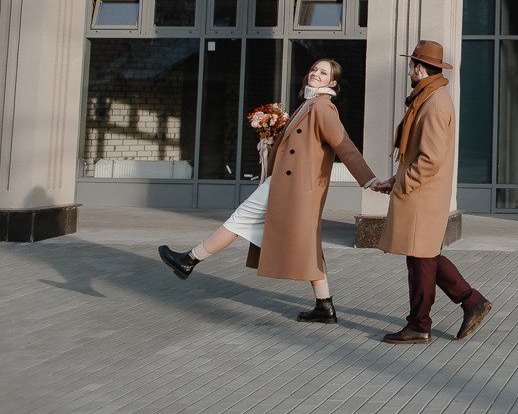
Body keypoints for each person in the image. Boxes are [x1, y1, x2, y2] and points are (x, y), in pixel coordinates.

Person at [157, 59, 380, 324]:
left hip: (292, 187)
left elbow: (345, 145)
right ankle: (324, 305)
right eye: (314, 69)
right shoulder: (309, 103)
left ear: (332, 82)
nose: (315, 74)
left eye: (323, 72)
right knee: (308, 244)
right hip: (288, 184)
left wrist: (369, 180)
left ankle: (190, 260)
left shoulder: (322, 107)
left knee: (239, 219)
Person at [372, 40, 492, 345]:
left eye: (412, 65)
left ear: (420, 69)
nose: (409, 70)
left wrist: (403, 184)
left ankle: (420, 324)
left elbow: (430, 158)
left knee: (421, 261)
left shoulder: (434, 103)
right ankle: (470, 302)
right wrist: (395, 180)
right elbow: (417, 154)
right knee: (423, 258)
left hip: (421, 196)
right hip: (420, 193)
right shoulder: (428, 98)